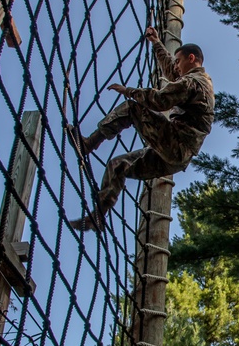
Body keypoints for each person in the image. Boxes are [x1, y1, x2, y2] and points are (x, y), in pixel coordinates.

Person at [67, 27, 214, 231]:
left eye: (179, 61)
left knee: (131, 108)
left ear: (192, 58)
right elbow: (172, 72)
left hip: (177, 143)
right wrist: (156, 43)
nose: (177, 67)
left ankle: (89, 143)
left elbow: (160, 100)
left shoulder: (195, 82)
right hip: (177, 157)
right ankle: (97, 216)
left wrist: (128, 91)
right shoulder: (195, 80)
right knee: (119, 165)